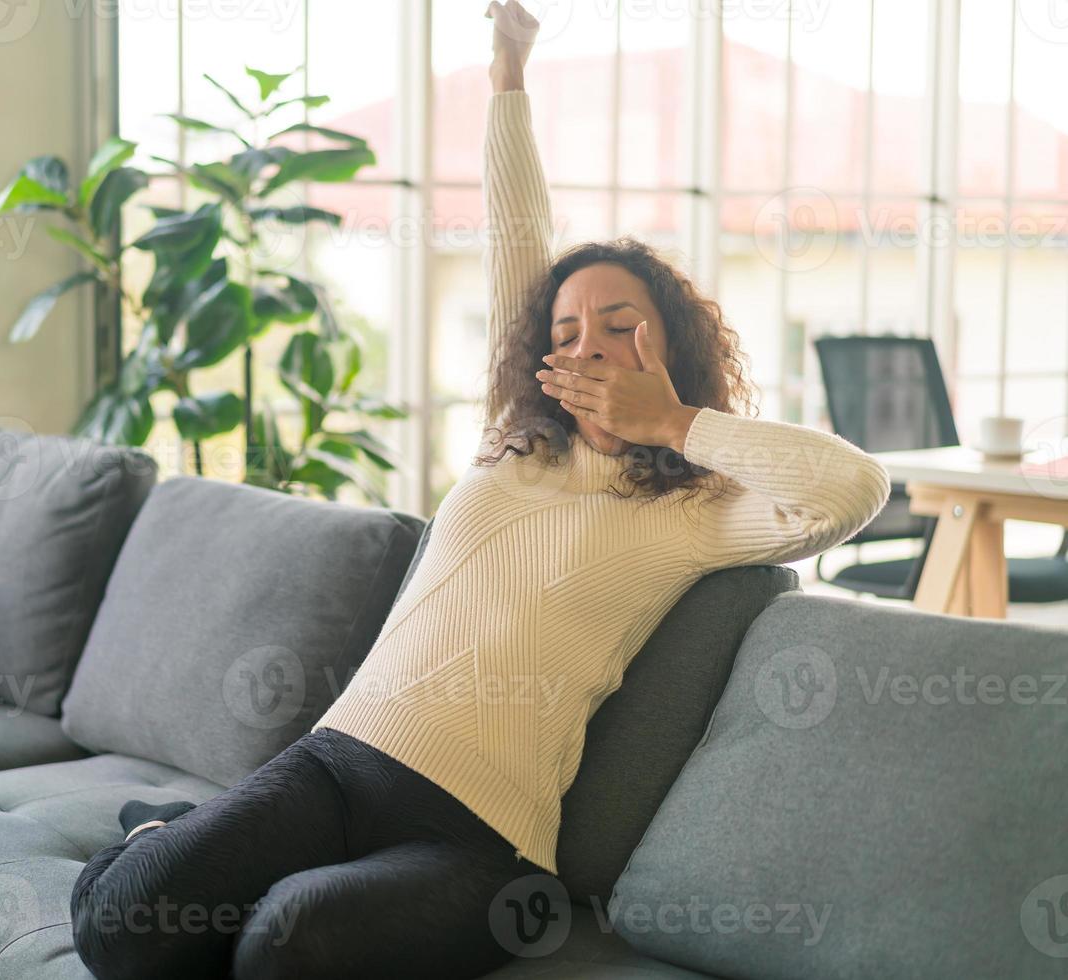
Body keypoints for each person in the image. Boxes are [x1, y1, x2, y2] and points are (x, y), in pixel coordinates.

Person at [70, 2, 892, 977]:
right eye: (571, 327)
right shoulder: (515, 440)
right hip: (338, 761)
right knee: (120, 920)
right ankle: (167, 834)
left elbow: (854, 486)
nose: (589, 343)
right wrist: (508, 71)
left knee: (283, 945)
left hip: (481, 843)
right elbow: (517, 231)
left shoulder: (700, 508)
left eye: (622, 324)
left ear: (675, 344)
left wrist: (672, 425)